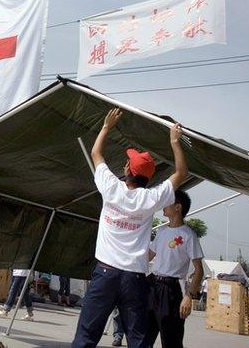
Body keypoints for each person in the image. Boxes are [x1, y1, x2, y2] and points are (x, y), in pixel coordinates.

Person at [72, 108, 188, 348]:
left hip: (105, 274)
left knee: (86, 336)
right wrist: (174, 141)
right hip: (135, 278)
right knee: (138, 341)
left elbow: (96, 153)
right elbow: (181, 173)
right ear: (148, 177)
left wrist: (106, 126)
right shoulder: (152, 198)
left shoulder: (111, 188)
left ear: (127, 170)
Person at [145, 190, 204, 347]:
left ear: (178, 207)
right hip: (152, 286)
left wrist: (188, 296)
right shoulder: (162, 231)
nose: (163, 206)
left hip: (171, 290)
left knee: (171, 340)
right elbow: (147, 257)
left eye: (168, 202)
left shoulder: (188, 235)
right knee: (142, 336)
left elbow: (199, 270)